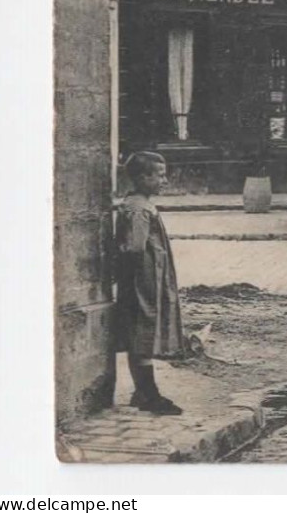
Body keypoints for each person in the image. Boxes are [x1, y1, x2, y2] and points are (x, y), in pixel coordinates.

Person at [115, 151, 184, 415]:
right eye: (160, 175)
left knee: (141, 334)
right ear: (143, 178)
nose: (164, 180)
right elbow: (134, 248)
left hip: (146, 281)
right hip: (142, 284)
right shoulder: (138, 209)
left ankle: (141, 392)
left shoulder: (141, 204)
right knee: (142, 334)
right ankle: (149, 395)